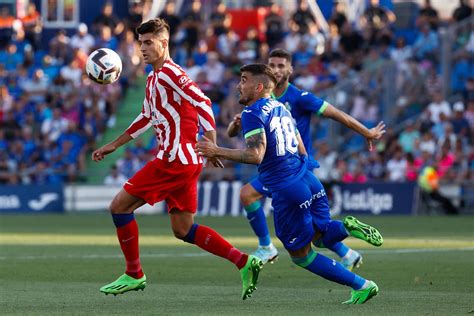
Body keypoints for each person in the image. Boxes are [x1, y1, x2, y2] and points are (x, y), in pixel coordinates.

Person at [91, 18, 262, 300]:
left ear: (164, 43)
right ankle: (244, 262)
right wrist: (114, 144)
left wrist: (213, 144)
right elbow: (145, 117)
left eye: (149, 42)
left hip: (175, 159)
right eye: (141, 43)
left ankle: (134, 274)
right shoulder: (153, 78)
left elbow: (203, 101)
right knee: (183, 229)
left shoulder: (170, 73)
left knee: (119, 207)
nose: (143, 48)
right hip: (183, 160)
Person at [196, 63, 385, 304]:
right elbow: (299, 144)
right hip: (308, 180)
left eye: (244, 80)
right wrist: (301, 170)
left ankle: (361, 285)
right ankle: (347, 228)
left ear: (259, 85)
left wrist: (216, 150)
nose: (238, 85)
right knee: (320, 236)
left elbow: (256, 155)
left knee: (301, 256)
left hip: (287, 189)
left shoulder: (252, 113)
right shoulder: (281, 107)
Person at [226, 49, 367, 270]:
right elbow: (233, 133)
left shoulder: (300, 97)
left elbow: (337, 114)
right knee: (252, 197)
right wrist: (236, 124)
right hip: (278, 167)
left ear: (291, 69)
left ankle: (268, 247)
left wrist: (366, 132)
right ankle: (346, 253)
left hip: (294, 169)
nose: (276, 69)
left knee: (306, 234)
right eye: (272, 65)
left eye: (281, 65)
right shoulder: (261, 99)